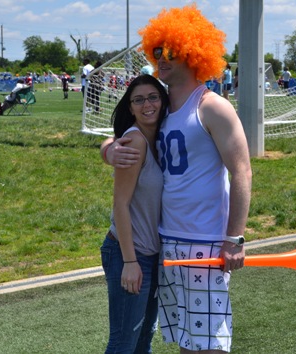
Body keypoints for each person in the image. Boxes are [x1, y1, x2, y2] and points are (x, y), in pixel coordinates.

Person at [104, 5, 252, 353]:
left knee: (210, 344)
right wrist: (108, 149)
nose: (161, 59)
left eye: (170, 51)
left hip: (205, 243)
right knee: (186, 341)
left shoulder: (212, 106)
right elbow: (127, 133)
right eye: (157, 52)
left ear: (192, 50)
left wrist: (235, 237)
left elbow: (242, 170)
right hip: (166, 243)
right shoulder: (161, 104)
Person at [99, 74, 169, 354]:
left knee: (143, 342)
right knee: (123, 345)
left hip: (152, 256)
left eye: (153, 97)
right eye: (138, 100)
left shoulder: (161, 137)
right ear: (130, 108)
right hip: (129, 253)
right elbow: (120, 205)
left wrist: (106, 148)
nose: (147, 105)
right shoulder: (135, 142)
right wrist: (130, 261)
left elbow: (110, 140)